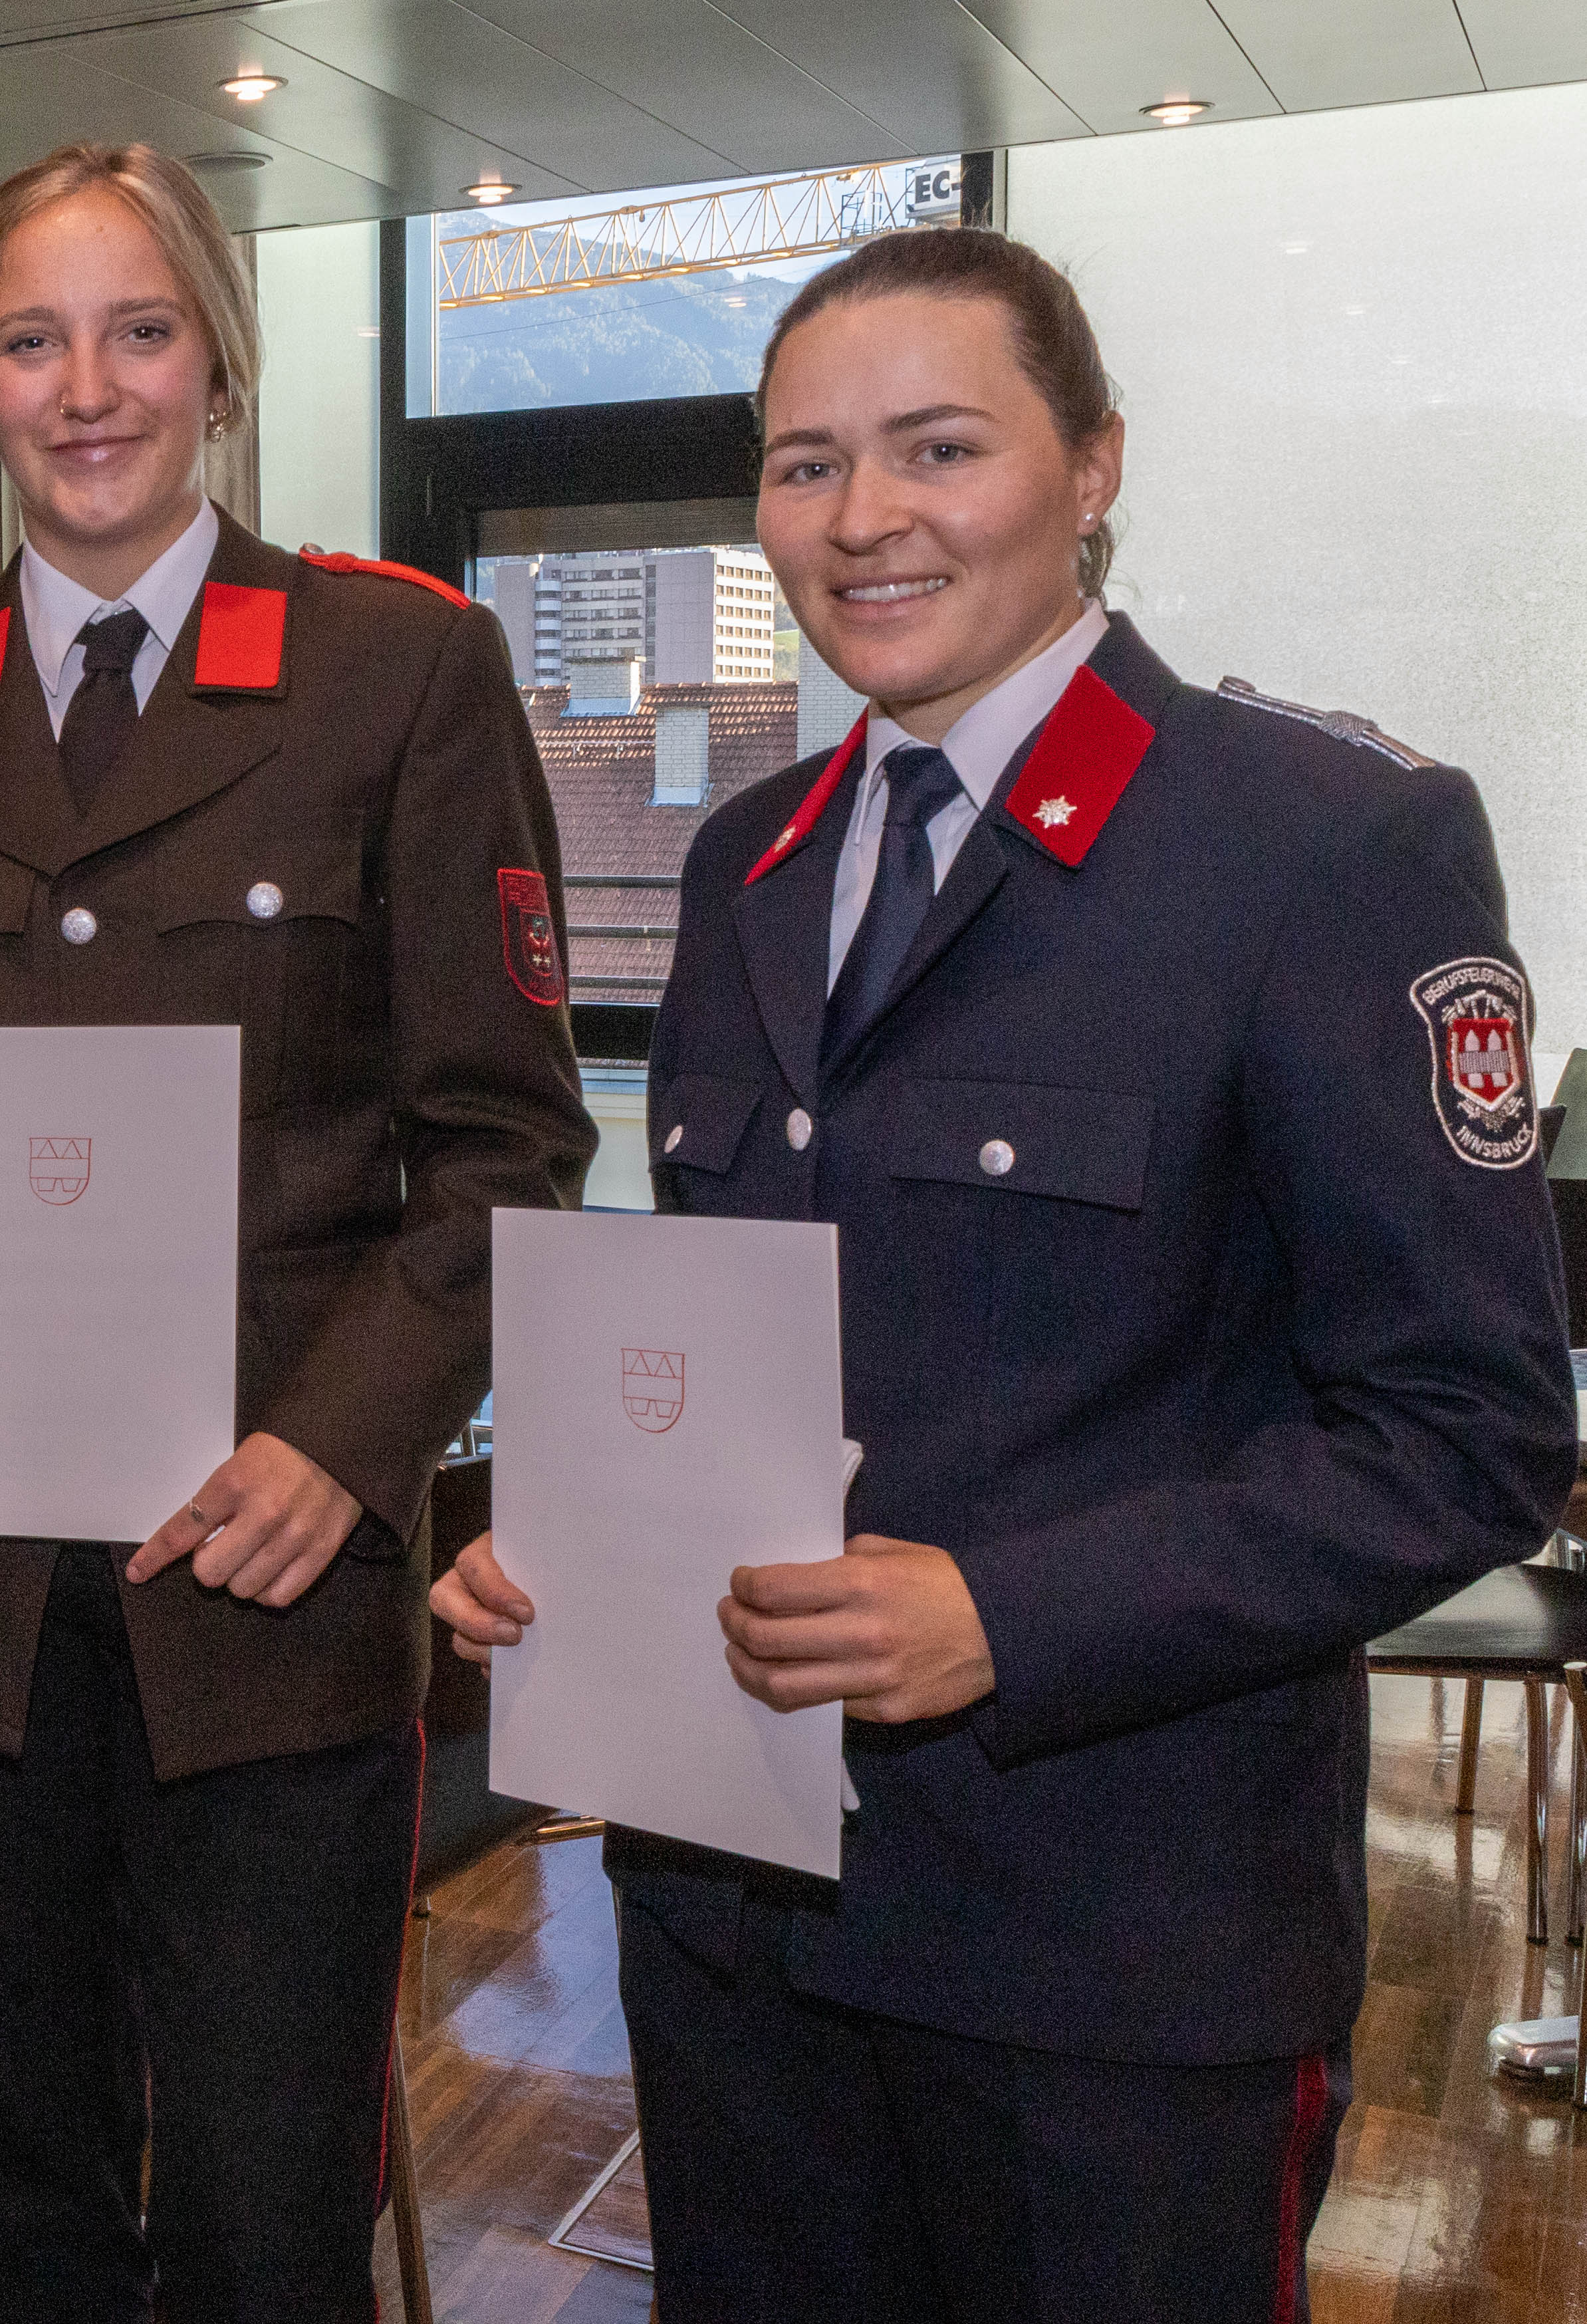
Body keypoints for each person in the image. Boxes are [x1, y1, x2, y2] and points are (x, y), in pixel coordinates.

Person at [434, 225, 1576, 2321]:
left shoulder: (1319, 844)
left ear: (1092, 466)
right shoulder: (743, 861)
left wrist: (1006, 1615)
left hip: (1111, 1949)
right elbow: (747, 1339)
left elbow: (1464, 1431)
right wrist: (577, 1547)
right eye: (800, 465)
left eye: (934, 447)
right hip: (735, 1908)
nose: (860, 519)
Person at [0, 142, 595, 2315]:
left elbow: (504, 1139)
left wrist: (348, 1445)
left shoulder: (398, 675)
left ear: (216, 363)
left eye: (135, 331)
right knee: (10, 2190)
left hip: (264, 1584)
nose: (82, 386)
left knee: (261, 2203)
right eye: (28, 339)